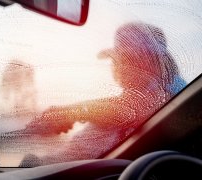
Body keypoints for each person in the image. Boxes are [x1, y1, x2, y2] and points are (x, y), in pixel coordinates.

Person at [22, 22, 186, 164]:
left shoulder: (171, 92)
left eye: (119, 58)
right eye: (114, 59)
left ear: (144, 59)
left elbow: (137, 106)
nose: (115, 66)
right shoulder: (147, 96)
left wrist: (69, 113)